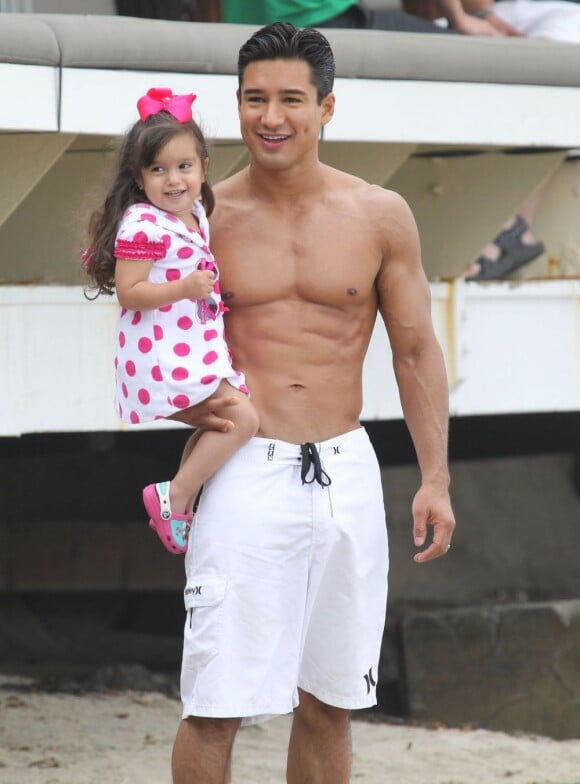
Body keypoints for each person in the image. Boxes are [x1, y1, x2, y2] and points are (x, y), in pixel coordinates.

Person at [170, 22, 455, 784]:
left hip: (345, 470)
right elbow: (150, 345)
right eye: (254, 98)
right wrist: (198, 415)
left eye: (291, 99)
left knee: (331, 699)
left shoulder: (380, 214)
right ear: (235, 105)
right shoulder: (202, 217)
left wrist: (435, 479)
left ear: (327, 108)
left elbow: (415, 349)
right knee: (216, 700)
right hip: (244, 470)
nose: (272, 116)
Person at [83, 87, 258, 554]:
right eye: (158, 169)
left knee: (217, 423)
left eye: (184, 167)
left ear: (203, 166)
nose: (173, 180)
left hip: (190, 346)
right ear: (139, 178)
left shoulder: (194, 213)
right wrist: (183, 289)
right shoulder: (142, 225)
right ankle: (174, 495)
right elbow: (130, 292)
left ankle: (180, 504)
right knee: (243, 418)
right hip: (162, 354)